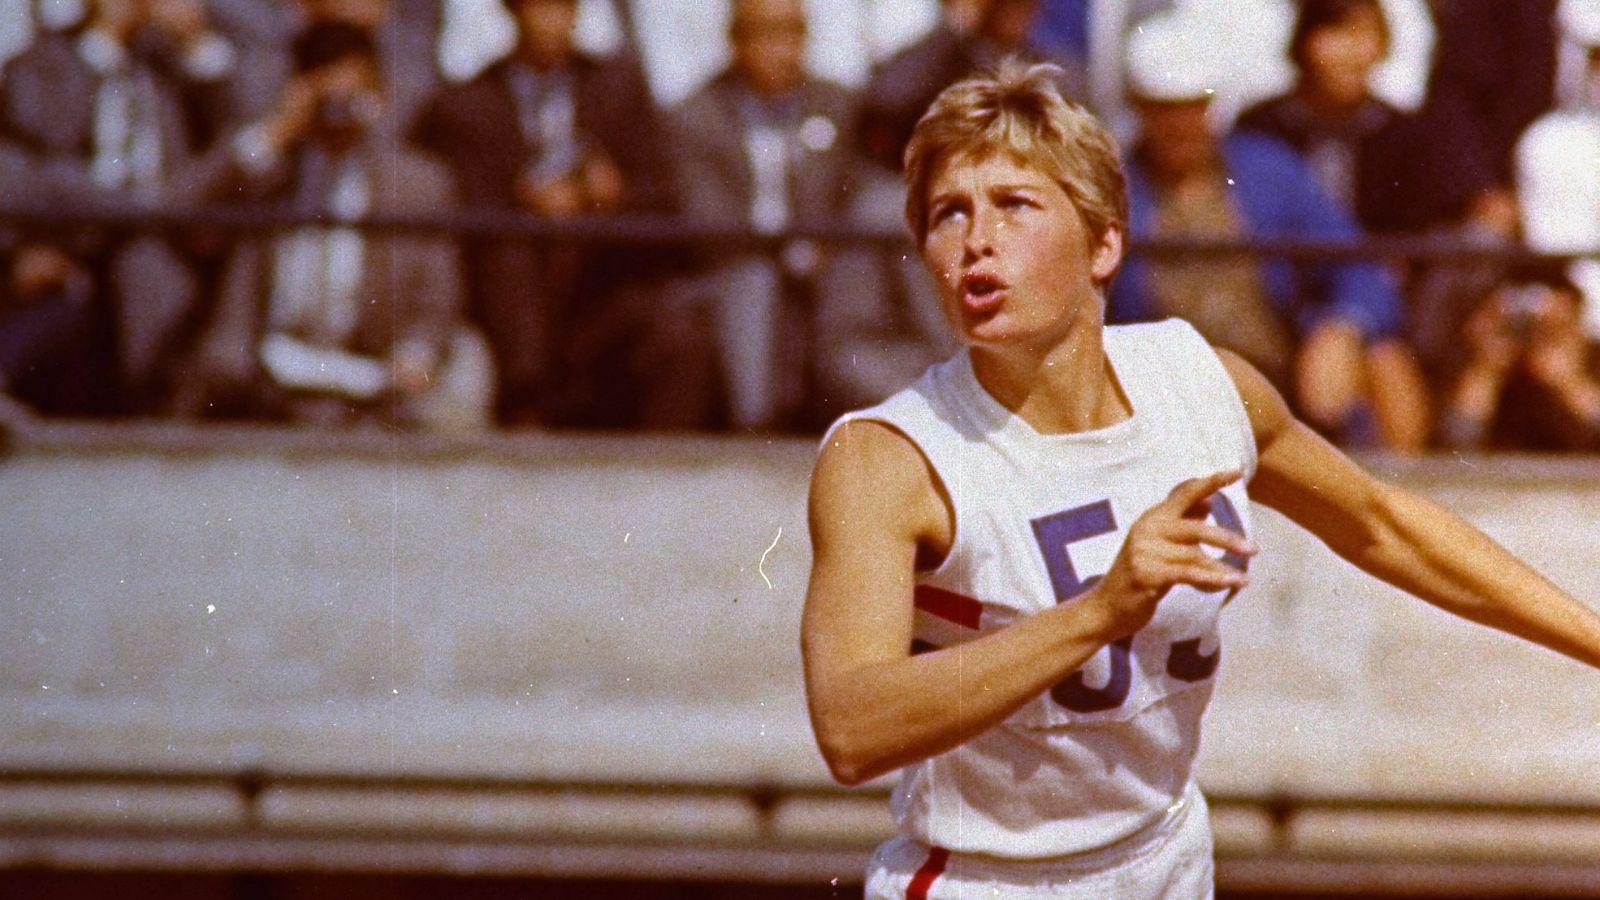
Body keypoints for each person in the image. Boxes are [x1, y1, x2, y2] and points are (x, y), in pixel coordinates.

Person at [800, 58, 1600, 898]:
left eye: (1014, 204)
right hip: (986, 877)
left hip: (1165, 859)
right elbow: (851, 730)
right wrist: (1099, 612)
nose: (976, 240)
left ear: (1105, 242)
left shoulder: (1196, 383)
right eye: (948, 213)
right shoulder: (889, 455)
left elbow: (1383, 523)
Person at [1109, 11, 1430, 452]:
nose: (1181, 123)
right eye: (1164, 108)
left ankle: (1403, 486)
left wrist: (1344, 326)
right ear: (1138, 107)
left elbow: (1356, 263)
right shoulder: (1111, 190)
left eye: (1194, 105)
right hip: (1160, 391)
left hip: (1272, 380)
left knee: (1385, 360)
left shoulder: (1267, 171)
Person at [172, 21, 492, 432]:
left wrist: (417, 352)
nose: (338, 112)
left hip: (371, 368)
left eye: (352, 95)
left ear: (379, 94)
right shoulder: (270, 173)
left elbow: (438, 293)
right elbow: (178, 214)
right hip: (266, 367)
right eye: (327, 98)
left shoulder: (417, 182)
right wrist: (275, 132)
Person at [411, 0, 673, 428]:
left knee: (675, 334)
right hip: (508, 292)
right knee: (510, 263)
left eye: (563, 7)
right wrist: (526, 205)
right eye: (540, 7)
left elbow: (664, 193)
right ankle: (525, 421)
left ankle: (666, 460)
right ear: (513, 12)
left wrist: (610, 197)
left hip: (600, 284)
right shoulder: (469, 103)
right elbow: (458, 197)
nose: (552, 21)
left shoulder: (618, 90)